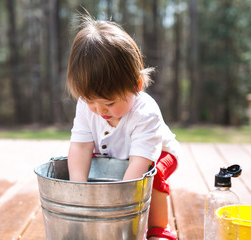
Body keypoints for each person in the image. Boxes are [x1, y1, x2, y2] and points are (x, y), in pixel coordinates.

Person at [66, 14, 180, 240]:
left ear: (136, 85)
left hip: (157, 155)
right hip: (116, 156)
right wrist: (79, 192)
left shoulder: (145, 113)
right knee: (87, 168)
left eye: (109, 103)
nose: (99, 110)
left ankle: (159, 229)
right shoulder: (86, 105)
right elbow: (80, 147)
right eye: (90, 101)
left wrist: (118, 207)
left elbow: (139, 164)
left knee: (152, 175)